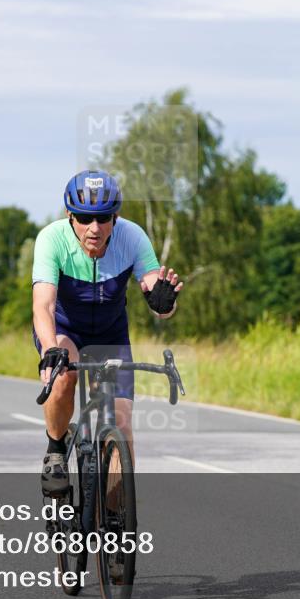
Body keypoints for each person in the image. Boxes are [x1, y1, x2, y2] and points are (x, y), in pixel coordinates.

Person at [33, 170, 184, 496]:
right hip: (64, 331)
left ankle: (116, 522)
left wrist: (163, 304)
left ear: (115, 218)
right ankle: (56, 450)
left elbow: (153, 286)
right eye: (85, 218)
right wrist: (49, 349)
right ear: (69, 215)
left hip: (109, 335)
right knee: (62, 379)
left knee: (121, 423)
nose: (94, 228)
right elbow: (43, 306)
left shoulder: (132, 237)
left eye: (103, 218)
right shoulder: (51, 238)